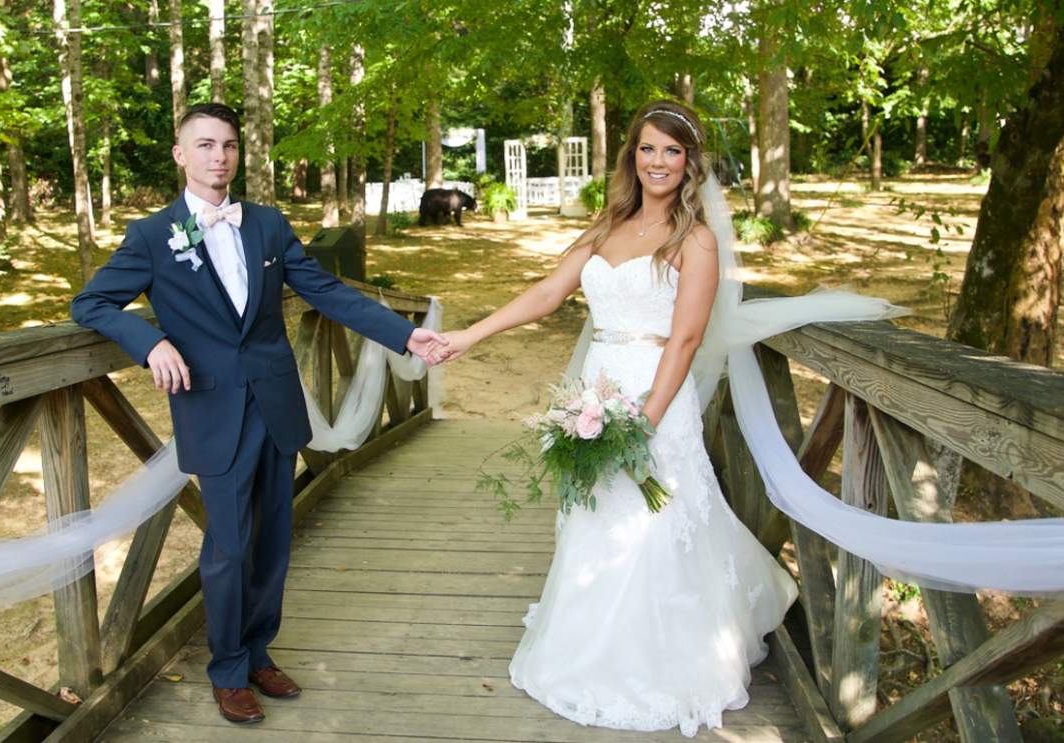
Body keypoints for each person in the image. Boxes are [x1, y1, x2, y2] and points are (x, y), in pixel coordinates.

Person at [71, 103, 445, 725]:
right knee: (228, 545)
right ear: (180, 154)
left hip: (275, 404)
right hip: (211, 410)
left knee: (273, 538)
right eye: (206, 144)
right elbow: (91, 303)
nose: (220, 156)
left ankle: (259, 652)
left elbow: (325, 291)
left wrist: (404, 337)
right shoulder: (152, 236)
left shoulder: (268, 225)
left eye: (230, 146)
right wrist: (151, 342)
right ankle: (226, 669)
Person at [435, 101, 801, 736]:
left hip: (655, 393)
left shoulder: (697, 240)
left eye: (672, 151)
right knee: (594, 516)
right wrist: (473, 334)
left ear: (690, 164)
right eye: (647, 149)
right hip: (595, 387)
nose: (657, 162)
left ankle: (664, 664)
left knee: (652, 524)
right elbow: (549, 293)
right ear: (632, 156)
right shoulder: (606, 226)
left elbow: (685, 341)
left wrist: (643, 424)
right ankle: (582, 653)